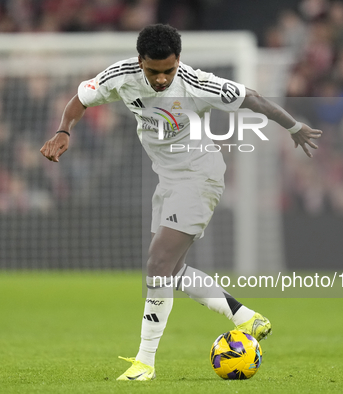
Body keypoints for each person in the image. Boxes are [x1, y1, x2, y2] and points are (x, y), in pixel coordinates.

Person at [41, 24, 322, 381]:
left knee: (158, 264)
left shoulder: (196, 83)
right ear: (140, 61)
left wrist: (294, 127)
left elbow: (252, 98)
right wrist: (64, 129)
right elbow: (81, 99)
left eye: (168, 71)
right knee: (172, 271)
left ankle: (145, 363)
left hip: (199, 176)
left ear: (179, 62)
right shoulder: (120, 76)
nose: (161, 79)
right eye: (153, 71)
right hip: (169, 180)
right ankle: (246, 318)